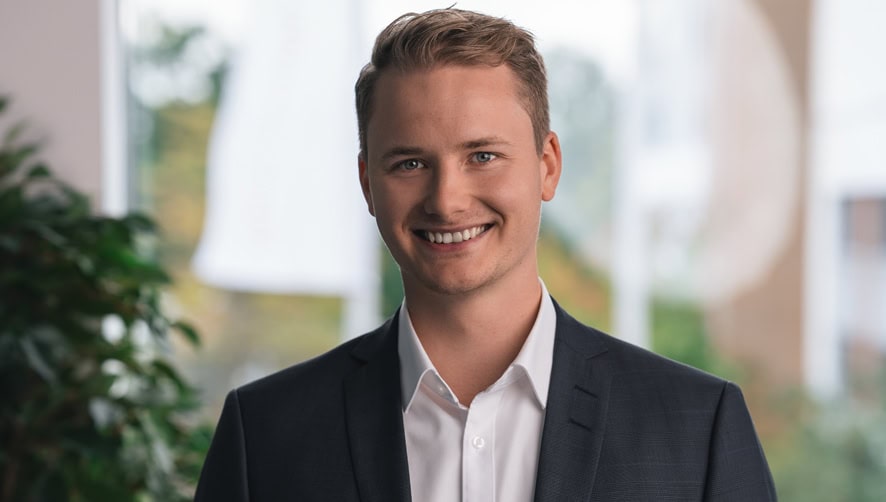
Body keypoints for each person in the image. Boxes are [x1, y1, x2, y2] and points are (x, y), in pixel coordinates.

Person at [195, 8, 776, 501]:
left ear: (547, 164)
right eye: (410, 163)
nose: (447, 201)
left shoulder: (697, 427)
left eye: (483, 156)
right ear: (368, 184)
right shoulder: (265, 435)